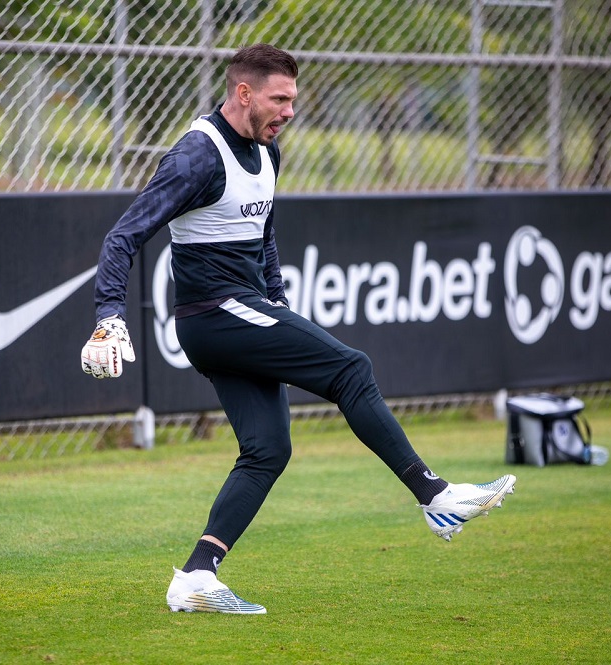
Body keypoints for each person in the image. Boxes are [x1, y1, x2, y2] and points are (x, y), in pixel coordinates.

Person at [81, 43, 516, 615]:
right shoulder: (197, 155)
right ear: (244, 93)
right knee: (351, 367)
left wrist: (280, 304)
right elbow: (123, 235)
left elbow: (263, 235)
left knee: (267, 449)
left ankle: (195, 576)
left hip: (242, 311)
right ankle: (436, 495)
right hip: (213, 316)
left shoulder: (268, 151)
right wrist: (108, 314)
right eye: (279, 99)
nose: (289, 110)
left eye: (293, 99)